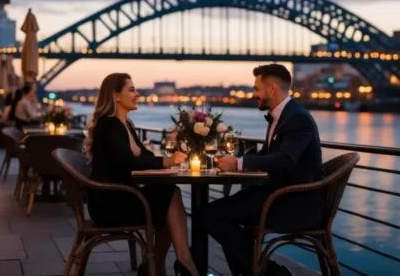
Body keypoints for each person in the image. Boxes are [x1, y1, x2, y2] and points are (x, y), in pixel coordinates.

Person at [205, 64, 325, 276]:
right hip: (277, 196)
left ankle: (269, 272)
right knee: (213, 213)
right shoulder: (283, 116)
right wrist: (236, 161)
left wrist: (240, 164)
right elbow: (267, 155)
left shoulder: (298, 118)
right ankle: (262, 271)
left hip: (295, 204)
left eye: (256, 89)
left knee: (212, 214)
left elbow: (286, 159)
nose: (254, 94)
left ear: (271, 88)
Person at [84, 73, 199, 276]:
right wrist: (166, 162)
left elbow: (144, 156)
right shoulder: (108, 125)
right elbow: (128, 161)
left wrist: (168, 153)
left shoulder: (125, 125)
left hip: (123, 196)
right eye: (131, 90)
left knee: (168, 196)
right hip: (110, 204)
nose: (137, 94)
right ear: (116, 95)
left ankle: (156, 267)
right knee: (170, 195)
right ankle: (183, 260)